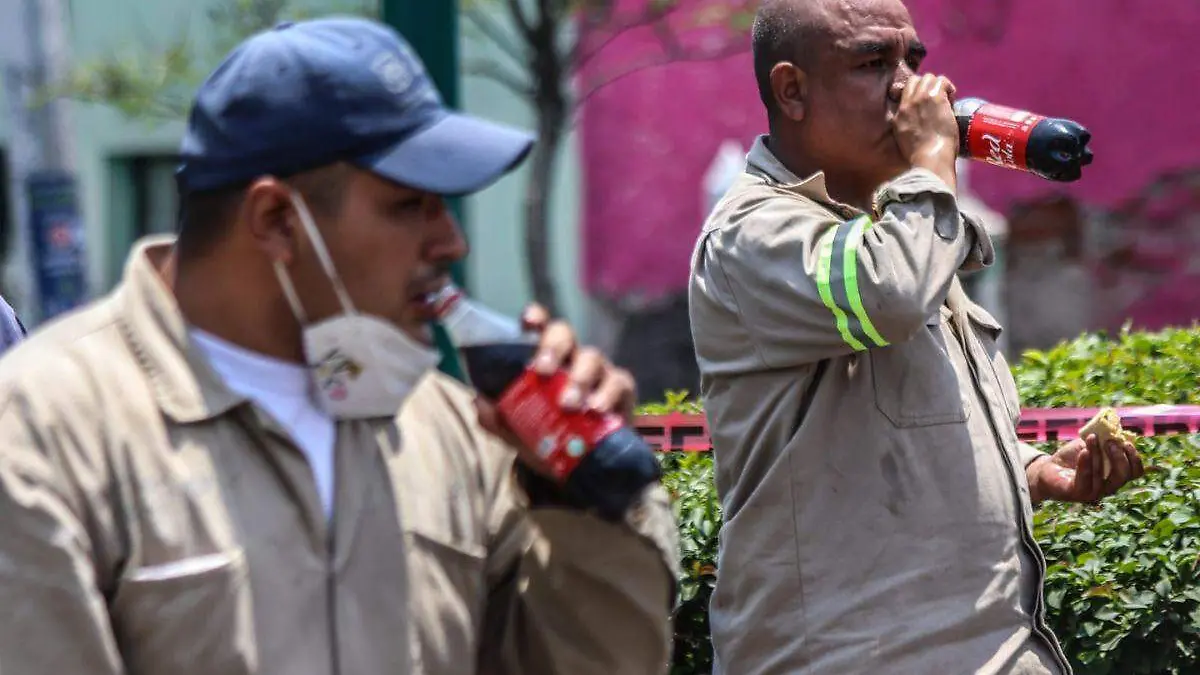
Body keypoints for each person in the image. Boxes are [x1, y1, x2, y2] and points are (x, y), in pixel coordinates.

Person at [0, 17, 677, 675]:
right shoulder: (46, 431)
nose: (451, 242)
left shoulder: (448, 430)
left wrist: (584, 501)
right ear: (275, 221)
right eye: (410, 205)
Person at [686, 0, 1144, 673]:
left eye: (914, 61)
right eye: (874, 64)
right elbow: (889, 294)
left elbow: (908, 417)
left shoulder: (898, 223)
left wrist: (1036, 471)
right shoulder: (751, 235)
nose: (912, 87)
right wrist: (930, 164)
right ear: (792, 90)